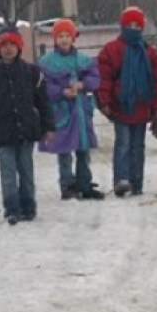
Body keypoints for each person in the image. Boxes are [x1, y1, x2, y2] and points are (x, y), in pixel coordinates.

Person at [0, 28, 55, 225]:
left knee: (26, 171)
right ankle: (12, 208)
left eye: (12, 45)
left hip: (26, 130)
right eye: (4, 46)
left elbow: (43, 102)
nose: (8, 49)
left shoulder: (32, 73)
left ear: (19, 47)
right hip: (1, 133)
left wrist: (48, 126)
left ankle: (28, 206)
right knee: (8, 173)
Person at [96, 6, 157, 197]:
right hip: (121, 106)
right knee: (123, 144)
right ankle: (121, 180)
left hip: (142, 107)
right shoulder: (112, 50)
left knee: (138, 146)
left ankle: (137, 181)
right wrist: (104, 102)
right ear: (123, 26)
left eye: (137, 25)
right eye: (129, 24)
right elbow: (104, 78)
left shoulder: (149, 53)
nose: (133, 28)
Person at [38, 19, 103, 200]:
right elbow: (44, 87)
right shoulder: (47, 63)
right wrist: (61, 92)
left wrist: (82, 84)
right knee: (64, 150)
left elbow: (95, 79)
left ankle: (84, 183)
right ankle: (67, 185)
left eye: (67, 35)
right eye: (60, 36)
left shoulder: (83, 60)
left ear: (73, 38)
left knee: (83, 149)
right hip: (62, 111)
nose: (64, 39)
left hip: (81, 111)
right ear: (55, 39)